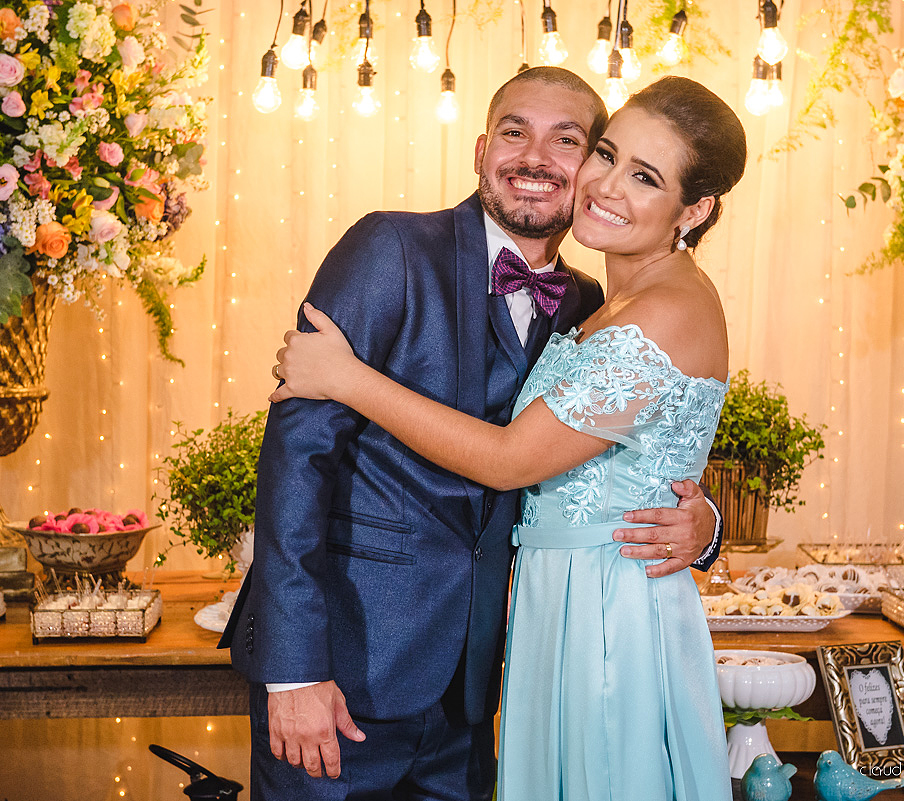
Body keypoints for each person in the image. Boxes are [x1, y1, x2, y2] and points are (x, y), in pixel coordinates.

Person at [219, 67, 723, 801]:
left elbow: (602, 454)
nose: (534, 156)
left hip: (479, 693)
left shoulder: (587, 302)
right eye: (515, 131)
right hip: (344, 674)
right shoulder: (388, 247)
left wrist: (702, 523)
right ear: (482, 148)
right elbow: (296, 460)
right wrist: (293, 669)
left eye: (569, 141)